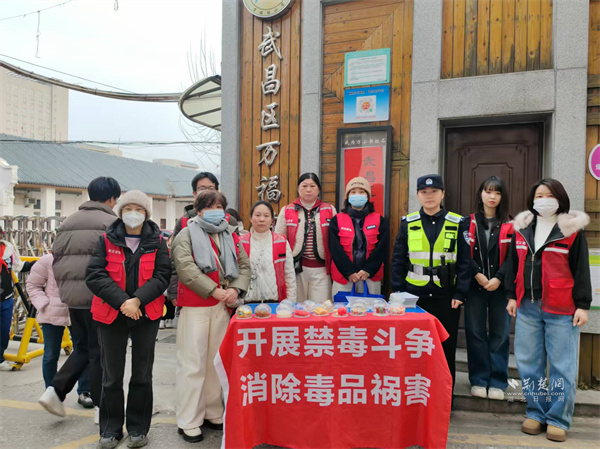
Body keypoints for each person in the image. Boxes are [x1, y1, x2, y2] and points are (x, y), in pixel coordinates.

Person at [505, 178, 591, 442]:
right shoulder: (522, 228)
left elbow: (581, 269)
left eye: (549, 195)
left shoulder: (571, 231)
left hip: (561, 308)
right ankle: (536, 413)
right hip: (527, 306)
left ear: (560, 198)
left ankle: (557, 419)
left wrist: (582, 305)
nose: (543, 200)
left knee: (562, 367)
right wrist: (511, 296)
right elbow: (512, 264)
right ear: (532, 200)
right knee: (529, 364)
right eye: (539, 195)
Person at [86, 190, 171, 448]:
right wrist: (124, 302)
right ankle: (110, 429)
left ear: (146, 213)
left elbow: (162, 275)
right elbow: (95, 274)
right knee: (111, 375)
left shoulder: (157, 242)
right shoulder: (105, 240)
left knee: (142, 374)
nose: (133, 213)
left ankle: (138, 428)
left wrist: (137, 301)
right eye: (128, 208)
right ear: (120, 211)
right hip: (112, 313)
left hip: (146, 313)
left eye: (139, 209)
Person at [172, 190, 250, 443]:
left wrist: (235, 289)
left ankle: (213, 411)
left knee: (215, 362)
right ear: (198, 210)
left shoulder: (230, 234)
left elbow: (244, 266)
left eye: (219, 206)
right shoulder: (185, 234)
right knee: (192, 363)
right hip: (196, 304)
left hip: (222, 305)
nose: (215, 211)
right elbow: (186, 268)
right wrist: (214, 290)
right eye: (209, 206)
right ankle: (189, 420)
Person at [39, 176, 120, 418]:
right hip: (100, 296)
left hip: (73, 298)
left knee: (83, 347)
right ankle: (101, 407)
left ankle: (55, 391)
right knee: (100, 351)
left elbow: (57, 259)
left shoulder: (68, 222)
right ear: (112, 198)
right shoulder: (112, 222)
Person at [391, 174, 471, 389]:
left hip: (446, 297)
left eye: (434, 191)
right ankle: (416, 393)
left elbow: (465, 261)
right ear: (418, 195)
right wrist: (398, 292)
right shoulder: (408, 223)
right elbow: (398, 259)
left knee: (446, 348)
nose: (429, 196)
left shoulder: (457, 222)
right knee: (414, 347)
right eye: (424, 192)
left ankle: (445, 397)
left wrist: (460, 293)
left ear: (442, 194)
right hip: (414, 297)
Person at [464, 176, 513, 401]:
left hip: (500, 288)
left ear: (503, 197)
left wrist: (499, 278)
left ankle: (498, 381)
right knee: (475, 332)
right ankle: (479, 379)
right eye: (488, 191)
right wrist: (478, 274)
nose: (492, 196)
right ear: (481, 194)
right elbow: (462, 253)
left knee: (500, 334)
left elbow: (514, 257)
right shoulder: (468, 222)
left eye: (497, 192)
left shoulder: (512, 224)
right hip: (475, 286)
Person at [27, 253, 93, 408]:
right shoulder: (47, 260)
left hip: (77, 312)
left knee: (83, 351)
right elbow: (32, 284)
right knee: (51, 354)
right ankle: (51, 393)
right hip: (52, 313)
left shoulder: (82, 259)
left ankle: (85, 391)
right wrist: (44, 304)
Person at [274, 173, 337, 302]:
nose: (308, 190)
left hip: (322, 270)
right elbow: (279, 241)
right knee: (297, 307)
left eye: (312, 186)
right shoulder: (287, 210)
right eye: (304, 186)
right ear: (298, 188)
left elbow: (336, 241)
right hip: (296, 270)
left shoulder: (330, 210)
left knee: (320, 308)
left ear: (319, 189)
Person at [329, 177, 388, 295]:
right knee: (342, 307)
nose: (357, 195)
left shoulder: (379, 220)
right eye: (353, 192)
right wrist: (349, 272)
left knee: (370, 307)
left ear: (368, 196)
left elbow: (382, 248)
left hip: (370, 277)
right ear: (347, 196)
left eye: (361, 192)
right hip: (344, 278)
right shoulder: (337, 220)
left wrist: (368, 270)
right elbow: (335, 249)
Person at [241, 201, 296, 303]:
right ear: (251, 218)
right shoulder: (241, 242)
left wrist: (290, 302)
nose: (262, 219)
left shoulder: (281, 241)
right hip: (247, 303)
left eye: (266, 216)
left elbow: (289, 275)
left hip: (275, 302)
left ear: (272, 220)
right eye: (257, 215)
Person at [0, 229, 34, 371]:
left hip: (6, 298)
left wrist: (39, 263)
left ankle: (0, 358)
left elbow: (19, 266)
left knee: (3, 330)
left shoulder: (7, 249)